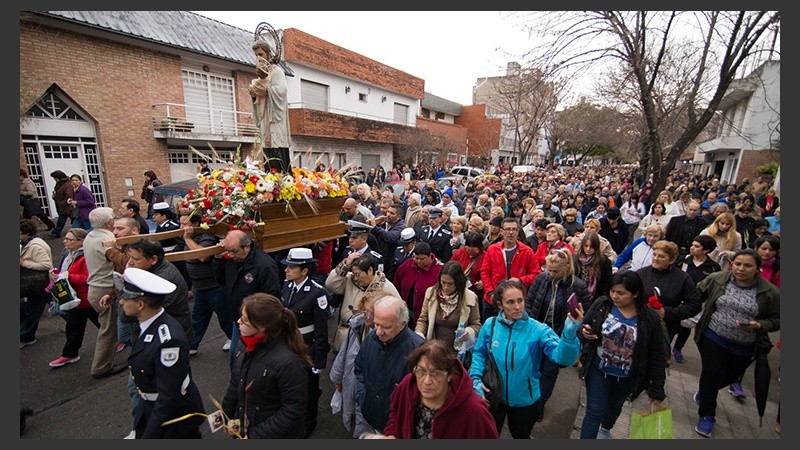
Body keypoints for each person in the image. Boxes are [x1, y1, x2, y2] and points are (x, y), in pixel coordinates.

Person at [469, 279, 582, 439]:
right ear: (500, 305)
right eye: (510, 302)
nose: (517, 306)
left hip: (525, 402)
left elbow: (562, 358)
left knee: (521, 436)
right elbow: (479, 354)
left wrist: (569, 335)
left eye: (520, 300)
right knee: (488, 435)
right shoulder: (490, 325)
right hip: (493, 397)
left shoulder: (539, 330)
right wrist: (475, 380)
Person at [693, 249, 780, 438]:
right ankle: (707, 416)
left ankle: (706, 390)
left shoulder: (769, 292)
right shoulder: (718, 279)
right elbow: (695, 294)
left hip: (745, 345)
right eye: (737, 264)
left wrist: (760, 324)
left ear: (757, 268)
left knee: (728, 376)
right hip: (713, 336)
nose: (741, 269)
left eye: (747, 265)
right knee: (713, 373)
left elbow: (777, 319)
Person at [577, 271, 667, 439]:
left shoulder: (649, 319)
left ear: (635, 294)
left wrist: (657, 387)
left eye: (621, 293)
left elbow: (656, 355)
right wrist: (585, 332)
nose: (614, 296)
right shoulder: (602, 305)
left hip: (627, 377)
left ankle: (605, 430)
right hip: (598, 370)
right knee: (594, 411)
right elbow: (584, 327)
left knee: (614, 407)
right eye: (612, 291)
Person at [118, 267, 205, 438]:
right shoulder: (147, 324)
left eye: (125, 298)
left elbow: (168, 396)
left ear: (140, 304)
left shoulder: (168, 341)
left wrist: (150, 435)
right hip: (151, 407)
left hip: (172, 420)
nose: (121, 302)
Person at [222, 293, 311, 438]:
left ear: (262, 326)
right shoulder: (244, 344)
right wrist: (226, 417)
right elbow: (235, 385)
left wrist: (253, 436)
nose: (238, 321)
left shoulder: (289, 363)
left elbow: (292, 410)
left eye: (244, 320)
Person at [383, 339, 499, 439]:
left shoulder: (474, 410)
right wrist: (391, 435)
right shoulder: (408, 385)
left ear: (449, 375)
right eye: (421, 371)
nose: (427, 381)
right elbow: (396, 413)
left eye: (436, 374)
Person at [525, 248, 591, 420]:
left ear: (566, 268)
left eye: (555, 271)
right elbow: (530, 302)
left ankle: (541, 403)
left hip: (558, 336)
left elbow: (584, 315)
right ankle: (530, 398)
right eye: (548, 269)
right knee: (533, 366)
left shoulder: (578, 286)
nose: (551, 273)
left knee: (549, 371)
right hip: (537, 332)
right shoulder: (541, 279)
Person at [354, 295, 425, 435]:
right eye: (376, 324)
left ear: (403, 324)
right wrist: (363, 398)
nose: (379, 331)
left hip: (399, 429)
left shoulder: (419, 351)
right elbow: (359, 370)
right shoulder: (371, 339)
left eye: (386, 327)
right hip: (371, 419)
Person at [213, 229, 283, 369]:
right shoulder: (232, 260)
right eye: (228, 251)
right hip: (238, 319)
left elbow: (272, 297)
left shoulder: (265, 265)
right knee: (235, 356)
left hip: (255, 323)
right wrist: (218, 260)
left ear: (247, 247)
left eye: (234, 251)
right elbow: (220, 280)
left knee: (248, 359)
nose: (231, 255)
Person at [279, 248, 330, 438]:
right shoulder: (286, 286)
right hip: (287, 345)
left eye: (292, 267)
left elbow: (321, 332)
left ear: (305, 271)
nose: (287, 270)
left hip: (307, 348)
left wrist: (319, 361)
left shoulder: (317, 294)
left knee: (309, 389)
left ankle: (309, 421)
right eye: (287, 266)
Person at [635, 240, 703, 361]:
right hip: (638, 323)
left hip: (666, 327)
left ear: (671, 260)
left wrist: (666, 312)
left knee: (655, 360)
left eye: (661, 256)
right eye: (654, 254)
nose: (655, 258)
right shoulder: (641, 273)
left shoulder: (682, 278)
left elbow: (694, 305)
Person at [329, 290, 382, 438]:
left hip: (368, 388)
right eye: (364, 310)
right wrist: (337, 378)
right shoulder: (356, 327)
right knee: (352, 416)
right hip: (351, 380)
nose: (366, 315)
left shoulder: (382, 335)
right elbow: (343, 354)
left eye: (370, 313)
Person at [83, 207, 127, 378]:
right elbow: (121, 261)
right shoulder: (108, 239)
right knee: (107, 330)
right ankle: (100, 367)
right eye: (115, 220)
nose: (116, 225)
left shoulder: (89, 236)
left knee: (107, 327)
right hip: (104, 289)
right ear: (109, 223)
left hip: (94, 288)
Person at [48, 228, 101, 367]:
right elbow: (65, 271)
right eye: (65, 238)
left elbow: (88, 278)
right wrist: (57, 275)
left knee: (102, 324)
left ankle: (120, 340)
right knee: (73, 328)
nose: (65, 241)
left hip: (86, 298)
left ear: (81, 242)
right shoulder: (67, 254)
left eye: (69, 239)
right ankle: (69, 354)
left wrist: (67, 276)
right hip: (74, 299)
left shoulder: (86, 257)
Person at [181, 214, 232, 356]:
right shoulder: (191, 238)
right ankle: (192, 344)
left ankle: (234, 339)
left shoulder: (207, 237)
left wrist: (187, 238)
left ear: (196, 224)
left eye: (185, 224)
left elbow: (202, 256)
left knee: (225, 317)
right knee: (197, 318)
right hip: (200, 287)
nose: (182, 228)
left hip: (214, 286)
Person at [414, 261, 482, 366]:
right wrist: (419, 335)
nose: (445, 287)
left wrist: (468, 332)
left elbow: (476, 324)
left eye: (450, 284)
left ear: (458, 282)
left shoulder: (470, 297)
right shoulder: (431, 293)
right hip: (434, 351)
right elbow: (423, 320)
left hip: (456, 353)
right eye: (443, 282)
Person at [671, 234, 721, 363]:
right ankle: (664, 349)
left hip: (695, 302)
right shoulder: (682, 260)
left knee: (685, 327)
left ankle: (678, 348)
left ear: (706, 250)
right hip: (676, 299)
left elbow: (713, 288)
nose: (692, 248)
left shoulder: (713, 268)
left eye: (696, 246)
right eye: (692, 245)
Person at [480, 217, 540, 323]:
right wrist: (490, 292)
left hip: (516, 301)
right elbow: (485, 272)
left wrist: (521, 280)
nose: (511, 232)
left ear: (518, 232)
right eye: (508, 229)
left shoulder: (527, 251)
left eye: (514, 229)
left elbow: (536, 274)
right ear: (502, 231)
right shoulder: (492, 249)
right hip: (492, 299)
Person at [249, 29, 292, 173]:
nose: (258, 58)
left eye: (261, 54)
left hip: (275, 117)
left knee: (277, 149)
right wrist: (254, 93)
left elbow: (282, 90)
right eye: (256, 55)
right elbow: (256, 91)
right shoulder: (260, 75)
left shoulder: (276, 71)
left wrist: (266, 89)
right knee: (267, 149)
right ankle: (270, 174)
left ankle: (281, 174)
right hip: (265, 115)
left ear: (268, 54)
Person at [393, 241, 443, 329]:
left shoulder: (439, 271)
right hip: (404, 313)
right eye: (416, 258)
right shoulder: (407, 265)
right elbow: (396, 284)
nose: (418, 261)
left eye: (422, 259)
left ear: (430, 256)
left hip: (425, 317)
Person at [20, 218, 53, 348]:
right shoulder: (29, 242)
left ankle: (26, 336)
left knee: (32, 310)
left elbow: (46, 264)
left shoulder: (35, 245)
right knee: (57, 303)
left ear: (25, 232)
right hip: (41, 283)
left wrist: (24, 262)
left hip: (38, 283)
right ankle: (74, 322)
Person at [572, 231, 612, 306]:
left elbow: (606, 282)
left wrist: (602, 300)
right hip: (578, 296)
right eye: (586, 246)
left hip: (595, 298)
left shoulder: (603, 261)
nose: (588, 249)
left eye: (591, 246)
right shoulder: (576, 259)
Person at [450, 231, 486, 307]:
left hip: (474, 293)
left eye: (473, 246)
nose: (469, 249)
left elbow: (489, 273)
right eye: (468, 245)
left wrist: (483, 282)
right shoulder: (460, 252)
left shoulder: (485, 257)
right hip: (457, 290)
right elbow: (450, 267)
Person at [49, 170, 74, 238]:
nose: (54, 179)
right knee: (73, 219)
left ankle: (56, 233)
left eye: (55, 178)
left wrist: (62, 203)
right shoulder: (60, 184)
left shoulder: (67, 184)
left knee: (62, 219)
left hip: (66, 206)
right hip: (63, 205)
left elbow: (68, 195)